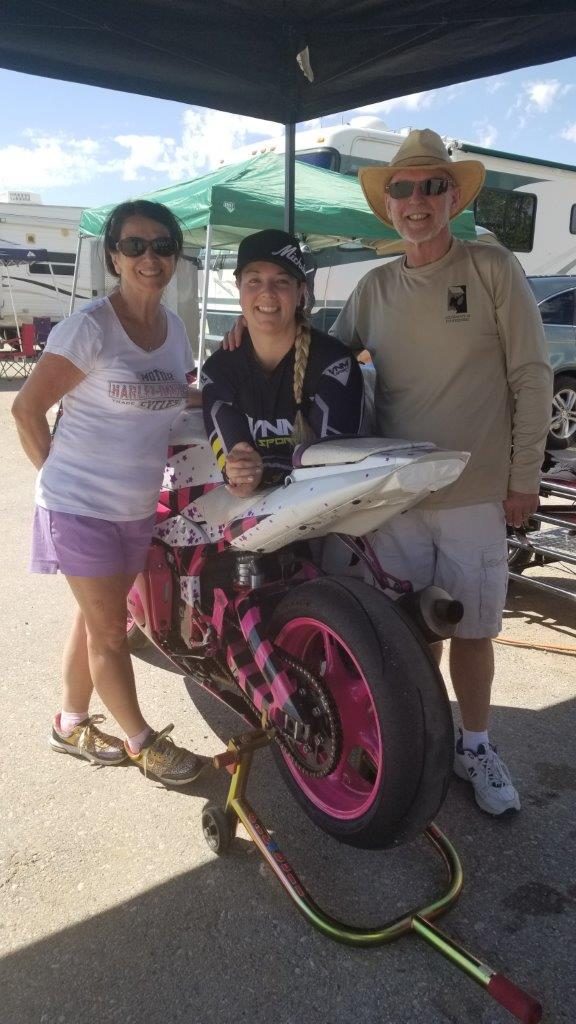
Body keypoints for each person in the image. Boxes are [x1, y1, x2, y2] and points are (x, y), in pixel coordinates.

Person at [332, 128, 553, 815]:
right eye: (403, 187)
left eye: (432, 185)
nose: (417, 199)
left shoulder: (491, 268)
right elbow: (323, 366)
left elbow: (531, 374)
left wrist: (523, 478)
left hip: (476, 493)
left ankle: (477, 744)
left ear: (453, 197)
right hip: (396, 497)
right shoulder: (373, 288)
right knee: (409, 630)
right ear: (388, 205)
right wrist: (249, 344)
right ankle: (427, 735)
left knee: (475, 629)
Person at [12, 199, 205, 786]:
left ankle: (69, 724)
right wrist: (57, 479)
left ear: (176, 257)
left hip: (135, 507)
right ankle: (143, 742)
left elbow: (177, 397)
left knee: (98, 618)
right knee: (110, 632)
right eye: (136, 246)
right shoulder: (90, 327)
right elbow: (26, 409)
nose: (151, 258)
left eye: (163, 246)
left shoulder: (173, 331)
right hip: (81, 508)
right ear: (114, 255)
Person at [201, 229, 365, 496]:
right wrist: (243, 474)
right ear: (238, 287)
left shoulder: (335, 364)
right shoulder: (219, 370)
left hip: (327, 522)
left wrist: (261, 469)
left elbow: (332, 471)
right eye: (254, 281)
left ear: (301, 291)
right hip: (257, 526)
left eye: (281, 282)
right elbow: (237, 479)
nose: (267, 292)